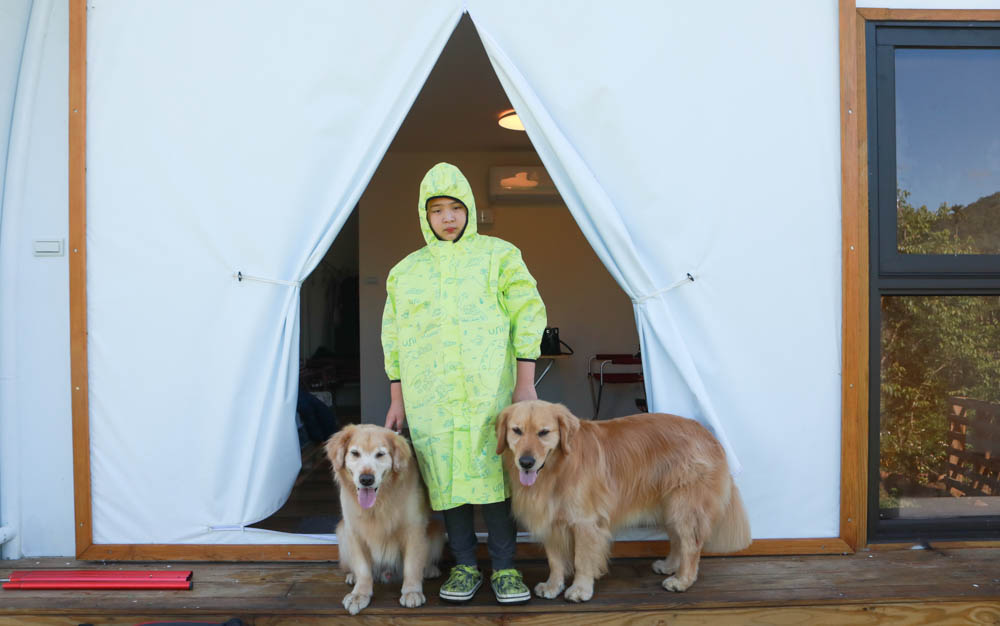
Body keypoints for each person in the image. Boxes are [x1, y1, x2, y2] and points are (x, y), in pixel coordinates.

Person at [382, 162, 546, 605]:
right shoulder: (406, 272)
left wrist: (524, 385)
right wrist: (397, 398)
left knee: (494, 475)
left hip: (489, 392)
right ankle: (465, 565)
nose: (448, 218)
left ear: (470, 209)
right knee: (446, 479)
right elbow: (393, 337)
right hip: (428, 396)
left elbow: (527, 313)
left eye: (456, 207)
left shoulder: (499, 256)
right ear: (424, 215)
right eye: (437, 210)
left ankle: (506, 567)